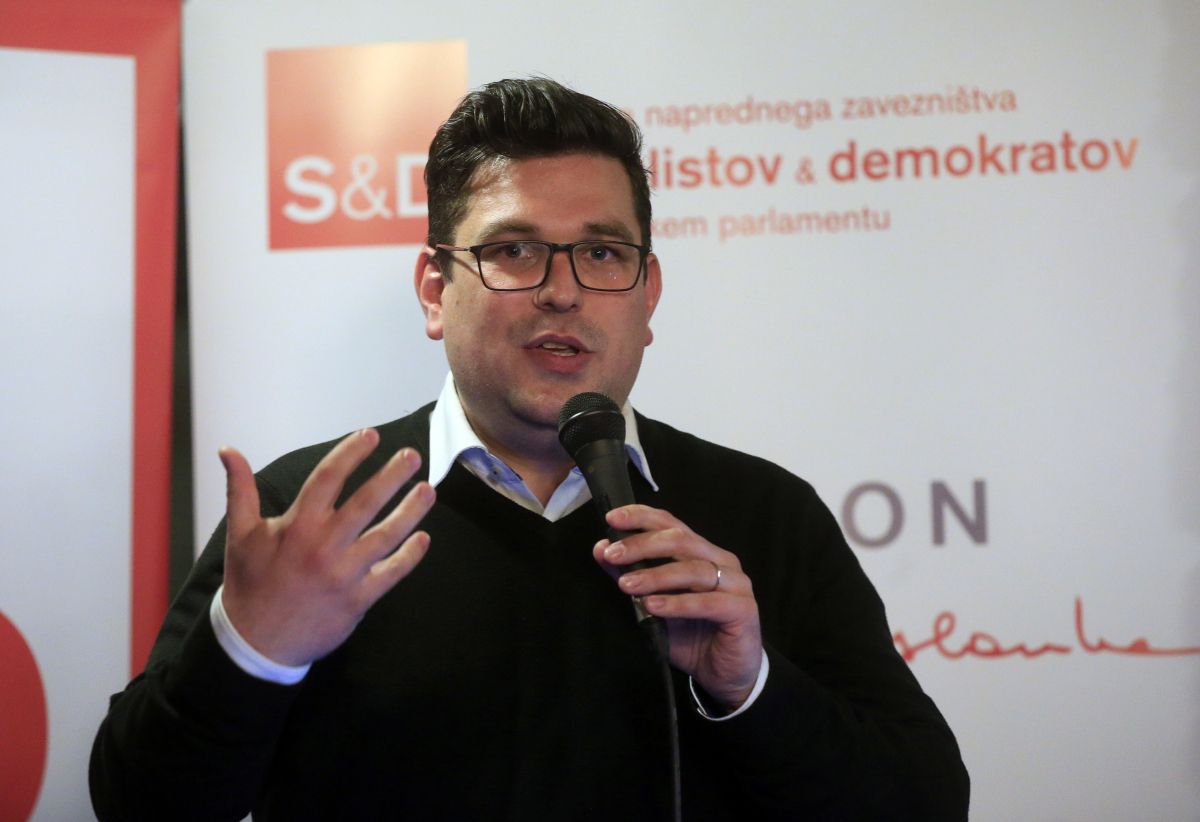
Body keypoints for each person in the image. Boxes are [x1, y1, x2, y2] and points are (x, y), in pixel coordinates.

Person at [90, 77, 969, 820]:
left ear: (648, 294)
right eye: (514, 250)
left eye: (603, 252)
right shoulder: (321, 511)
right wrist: (253, 652)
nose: (562, 292)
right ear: (434, 290)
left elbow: (927, 801)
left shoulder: (761, 515)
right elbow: (139, 801)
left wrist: (751, 688)